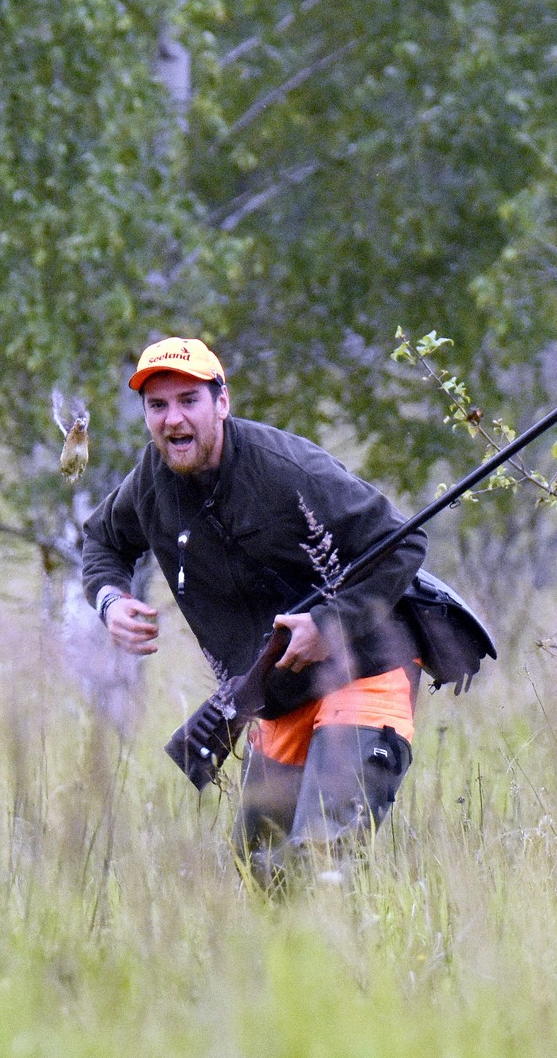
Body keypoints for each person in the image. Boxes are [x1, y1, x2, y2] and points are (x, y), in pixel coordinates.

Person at [81, 336, 426, 878]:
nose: (173, 419)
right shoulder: (150, 482)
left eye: (188, 400)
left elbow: (404, 543)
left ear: (222, 402)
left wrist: (329, 625)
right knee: (261, 871)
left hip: (362, 671)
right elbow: (103, 541)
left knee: (323, 857)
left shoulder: (289, 468)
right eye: (157, 405)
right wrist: (110, 601)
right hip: (278, 694)